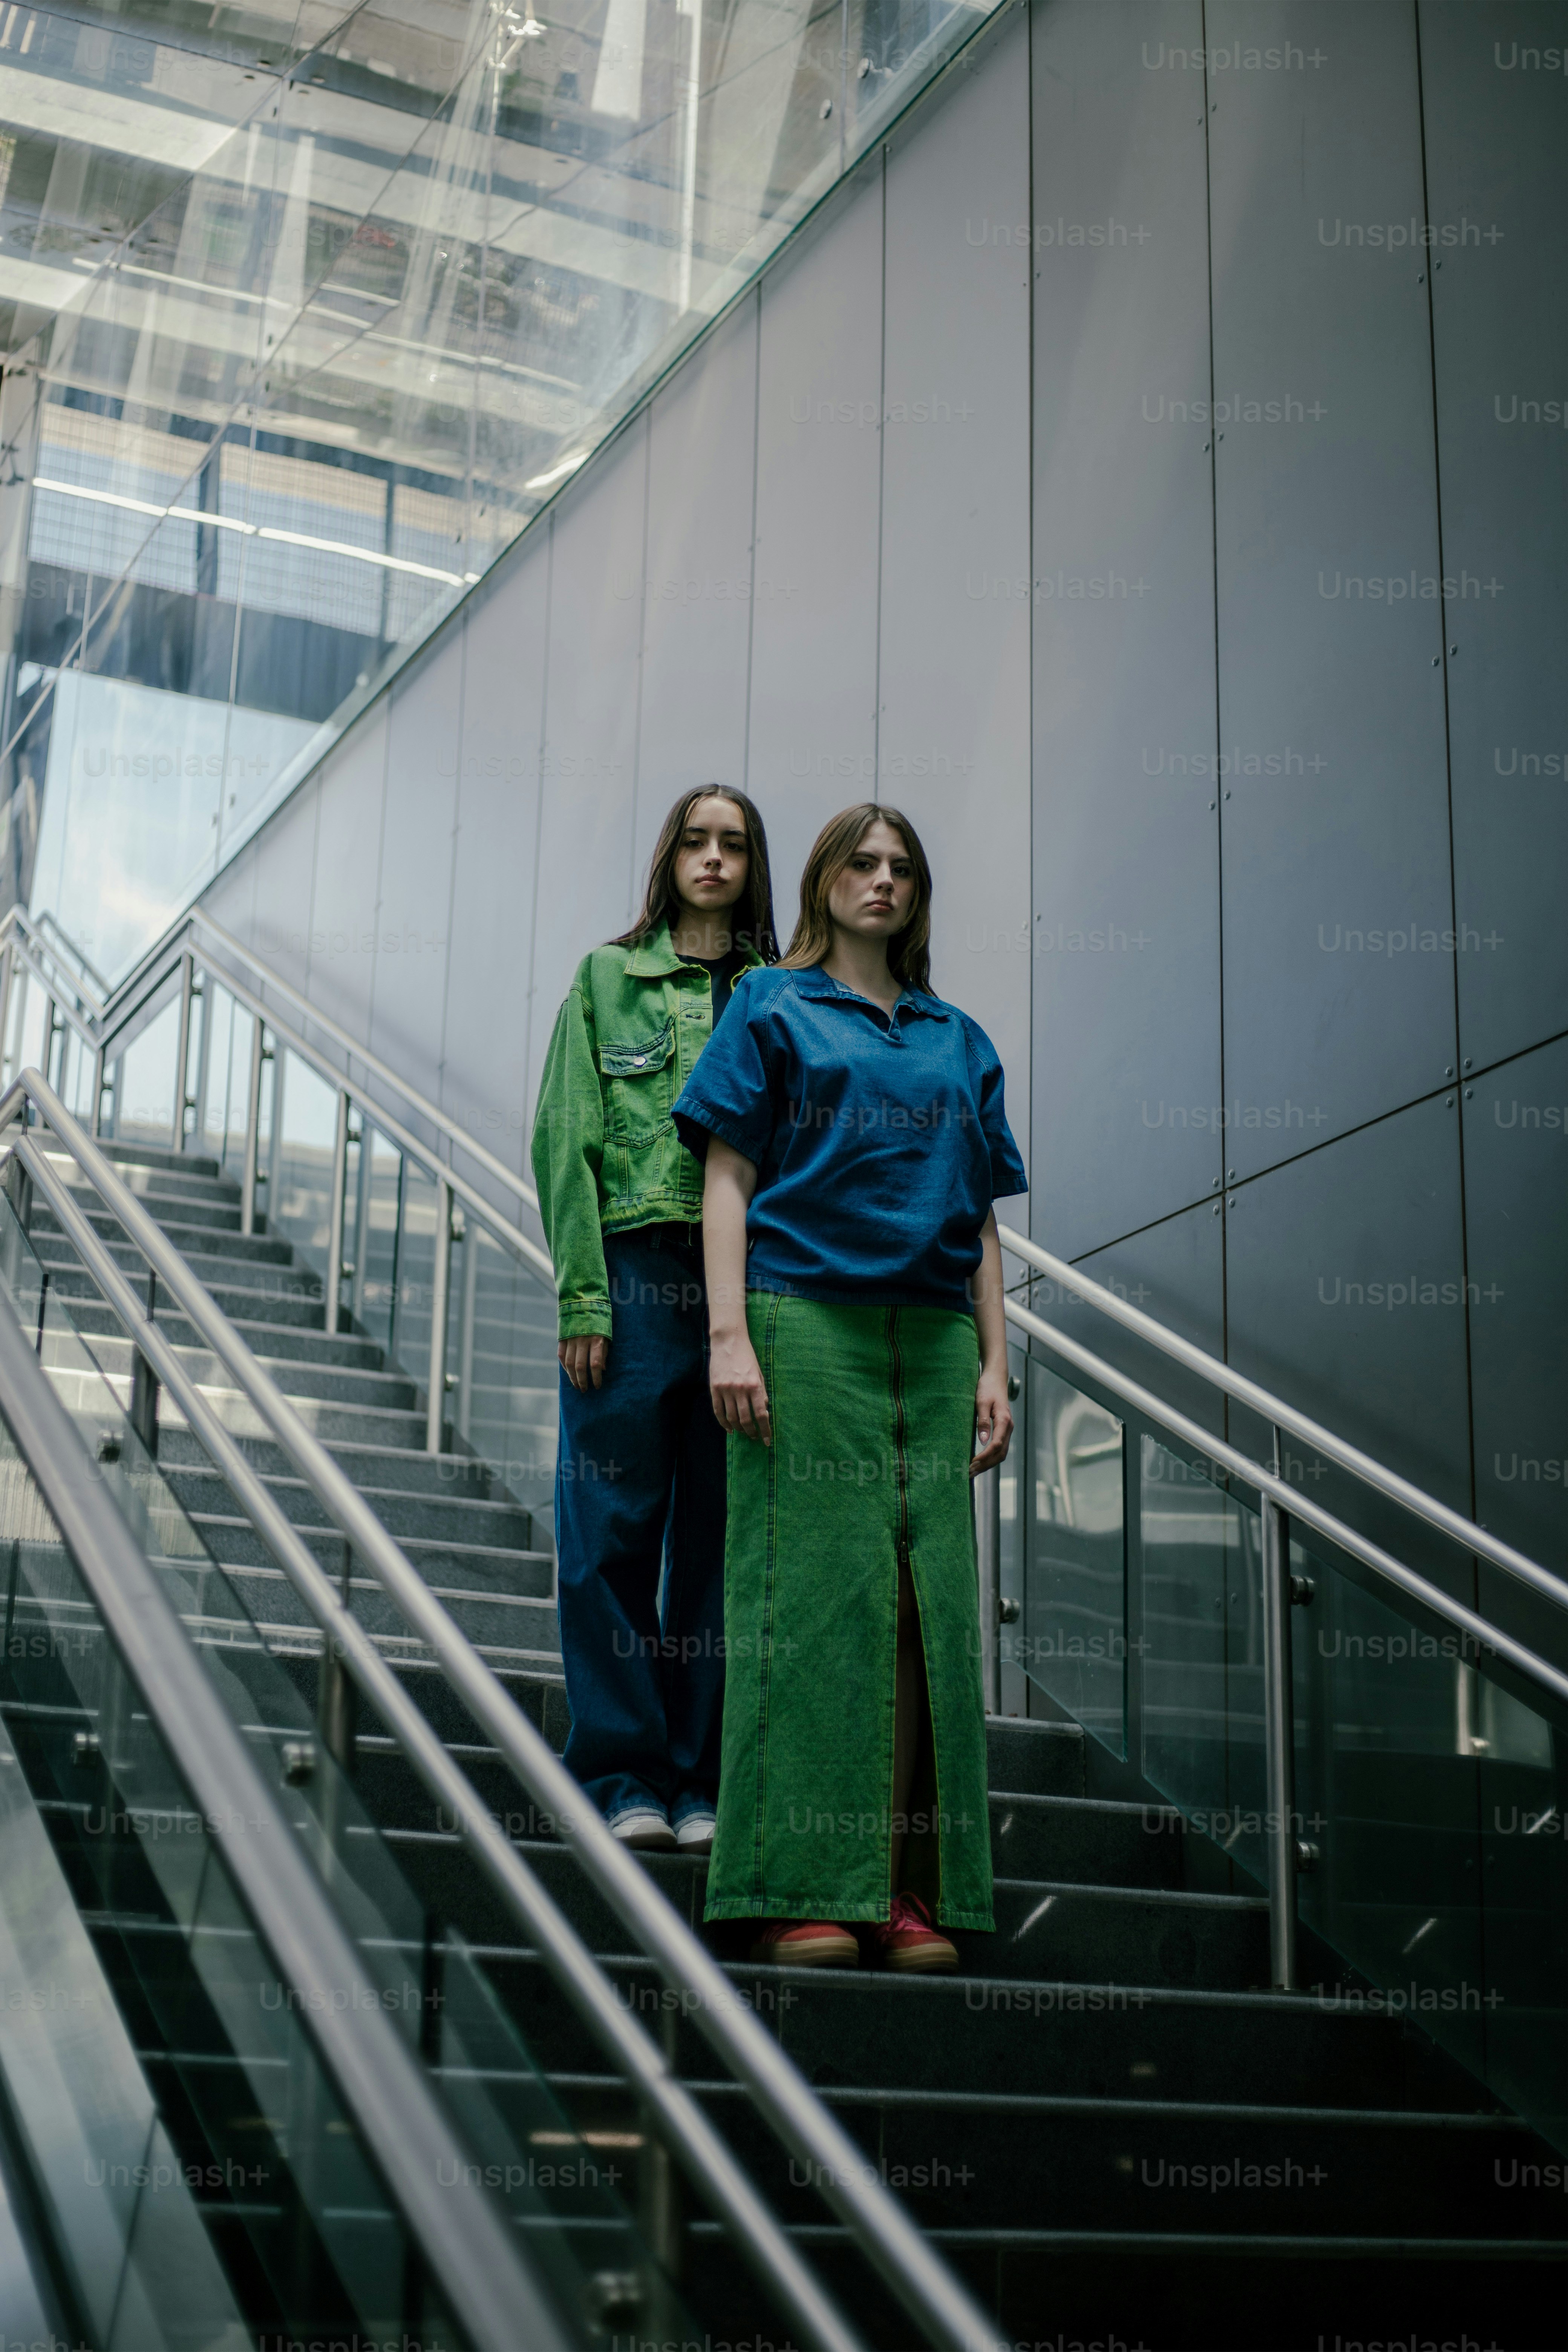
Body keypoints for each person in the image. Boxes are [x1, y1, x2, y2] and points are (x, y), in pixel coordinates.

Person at [671, 802, 1025, 1970]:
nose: (883, 882)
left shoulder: (959, 1040)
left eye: (903, 869)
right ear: (823, 879)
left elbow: (976, 1220)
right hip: (799, 1322)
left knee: (929, 1618)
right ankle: (800, 1889)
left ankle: (906, 1895)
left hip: (929, 1343)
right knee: (811, 1605)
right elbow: (729, 1175)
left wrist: (994, 1362)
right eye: (862, 864)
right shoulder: (768, 1003)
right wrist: (727, 1335)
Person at [530, 787, 777, 1851]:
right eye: (695, 840)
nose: (713, 858)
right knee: (607, 1536)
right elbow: (566, 1134)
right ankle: (620, 1775)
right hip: (632, 1283)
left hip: (749, 1296)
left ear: (754, 865)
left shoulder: (782, 995)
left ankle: (698, 1778)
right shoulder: (605, 978)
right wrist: (584, 1293)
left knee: (722, 1546)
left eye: (733, 844)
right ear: (669, 858)